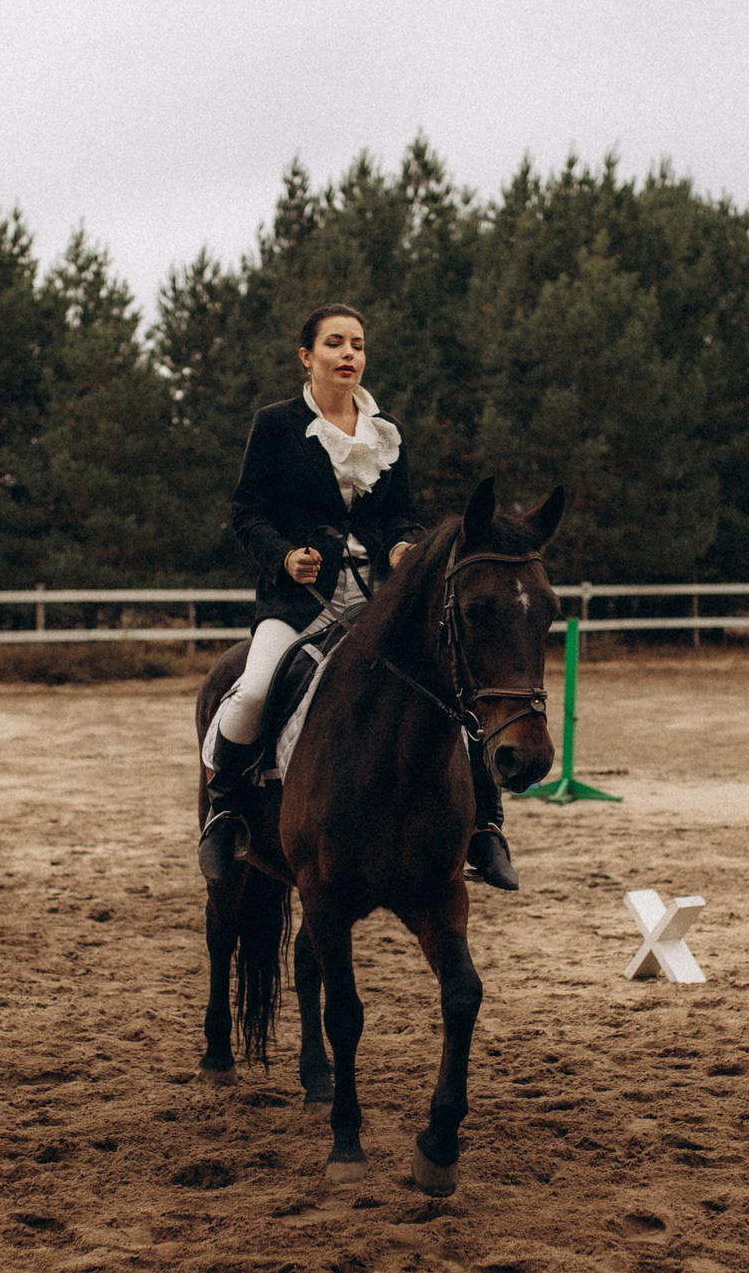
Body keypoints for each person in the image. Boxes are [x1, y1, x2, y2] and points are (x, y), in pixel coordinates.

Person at [198, 303, 519, 889]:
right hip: (297, 600)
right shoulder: (275, 424)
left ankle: (486, 827)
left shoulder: (385, 429)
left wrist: (403, 546)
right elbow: (246, 511)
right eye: (335, 344)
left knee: (456, 684)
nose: (349, 354)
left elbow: (402, 514)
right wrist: (284, 556)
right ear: (307, 356)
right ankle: (225, 811)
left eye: (358, 345)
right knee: (254, 692)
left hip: (379, 598)